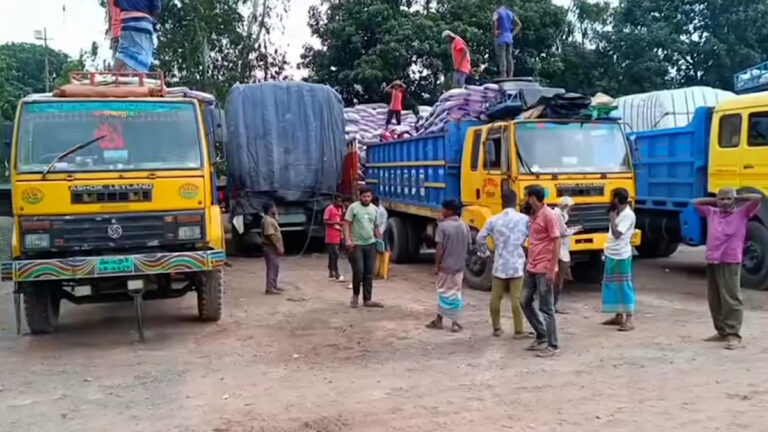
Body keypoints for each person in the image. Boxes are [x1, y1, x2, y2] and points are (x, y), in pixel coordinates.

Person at [693, 188, 761, 350]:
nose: (724, 202)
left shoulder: (742, 213)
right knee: (715, 297)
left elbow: (757, 198)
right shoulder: (712, 212)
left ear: (734, 199)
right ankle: (721, 331)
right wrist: (716, 200)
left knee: (731, 297)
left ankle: (733, 334)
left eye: (727, 199)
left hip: (730, 259)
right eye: (721, 199)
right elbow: (694, 202)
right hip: (713, 259)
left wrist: (736, 197)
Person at [477, 189, 531, 338]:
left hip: (499, 263)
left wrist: (486, 253)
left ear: (502, 201)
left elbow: (480, 238)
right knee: (516, 298)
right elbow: (534, 237)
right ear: (515, 202)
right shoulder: (524, 219)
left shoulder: (493, 220)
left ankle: (496, 328)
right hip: (516, 263)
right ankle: (519, 330)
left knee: (496, 297)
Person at [521, 185, 561, 358]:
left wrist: (552, 268)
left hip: (544, 267)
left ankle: (553, 345)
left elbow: (556, 241)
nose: (524, 199)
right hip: (531, 266)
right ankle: (541, 334)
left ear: (532, 197)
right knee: (524, 300)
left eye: (526, 196)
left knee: (546, 307)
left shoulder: (548, 215)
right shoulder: (532, 215)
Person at [426, 199, 471, 333]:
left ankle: (439, 321)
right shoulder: (464, 226)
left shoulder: (443, 227)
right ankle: (455, 322)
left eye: (444, 209)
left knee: (443, 293)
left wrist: (436, 265)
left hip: (445, 267)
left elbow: (439, 248)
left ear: (450, 211)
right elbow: (468, 246)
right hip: (459, 267)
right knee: (456, 293)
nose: (442, 211)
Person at [601, 188, 637, 331]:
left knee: (624, 286)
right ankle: (618, 315)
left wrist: (612, 220)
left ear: (616, 199)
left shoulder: (627, 215)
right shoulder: (619, 213)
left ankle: (629, 319)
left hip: (621, 255)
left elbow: (617, 234)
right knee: (612, 284)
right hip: (612, 252)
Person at [344, 187, 384, 308]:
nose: (366, 199)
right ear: (359, 196)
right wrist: (347, 240)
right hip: (356, 245)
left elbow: (376, 228)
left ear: (371, 197)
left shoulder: (374, 210)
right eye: (364, 196)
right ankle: (355, 295)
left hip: (370, 244)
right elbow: (346, 224)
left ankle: (367, 299)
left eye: (368, 197)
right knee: (358, 272)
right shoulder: (353, 208)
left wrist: (381, 242)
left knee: (369, 273)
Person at [114, 0, 162, 72]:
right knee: (142, 58)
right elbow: (156, 9)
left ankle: (114, 75)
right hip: (143, 23)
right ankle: (131, 76)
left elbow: (117, 3)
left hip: (126, 24)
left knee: (124, 51)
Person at [552, 196, 581, 314]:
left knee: (559, 279)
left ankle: (553, 304)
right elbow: (562, 232)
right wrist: (574, 230)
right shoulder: (558, 214)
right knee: (558, 280)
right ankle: (553, 305)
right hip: (559, 250)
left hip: (561, 249)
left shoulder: (558, 213)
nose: (570, 210)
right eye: (570, 208)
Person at [492, 2, 522, 78]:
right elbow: (519, 24)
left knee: (502, 56)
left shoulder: (497, 12)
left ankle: (503, 73)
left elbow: (494, 20)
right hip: (509, 38)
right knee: (509, 56)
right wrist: (512, 34)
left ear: (497, 5)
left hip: (501, 38)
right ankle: (511, 74)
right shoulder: (510, 13)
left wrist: (495, 31)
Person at [261, 201, 284, 295]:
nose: (276, 209)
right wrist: (278, 246)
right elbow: (271, 235)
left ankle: (274, 285)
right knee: (272, 267)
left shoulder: (271, 219)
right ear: (271, 209)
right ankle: (270, 287)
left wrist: (276, 217)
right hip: (270, 247)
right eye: (274, 207)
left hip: (272, 247)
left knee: (275, 266)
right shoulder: (268, 221)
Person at [324, 194, 345, 282]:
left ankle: (331, 270)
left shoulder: (340, 209)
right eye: (338, 201)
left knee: (332, 254)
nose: (339, 203)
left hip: (338, 233)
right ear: (334, 200)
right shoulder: (329, 209)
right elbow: (325, 220)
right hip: (331, 234)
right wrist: (335, 222)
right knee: (335, 253)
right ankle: (336, 272)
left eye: (341, 201)